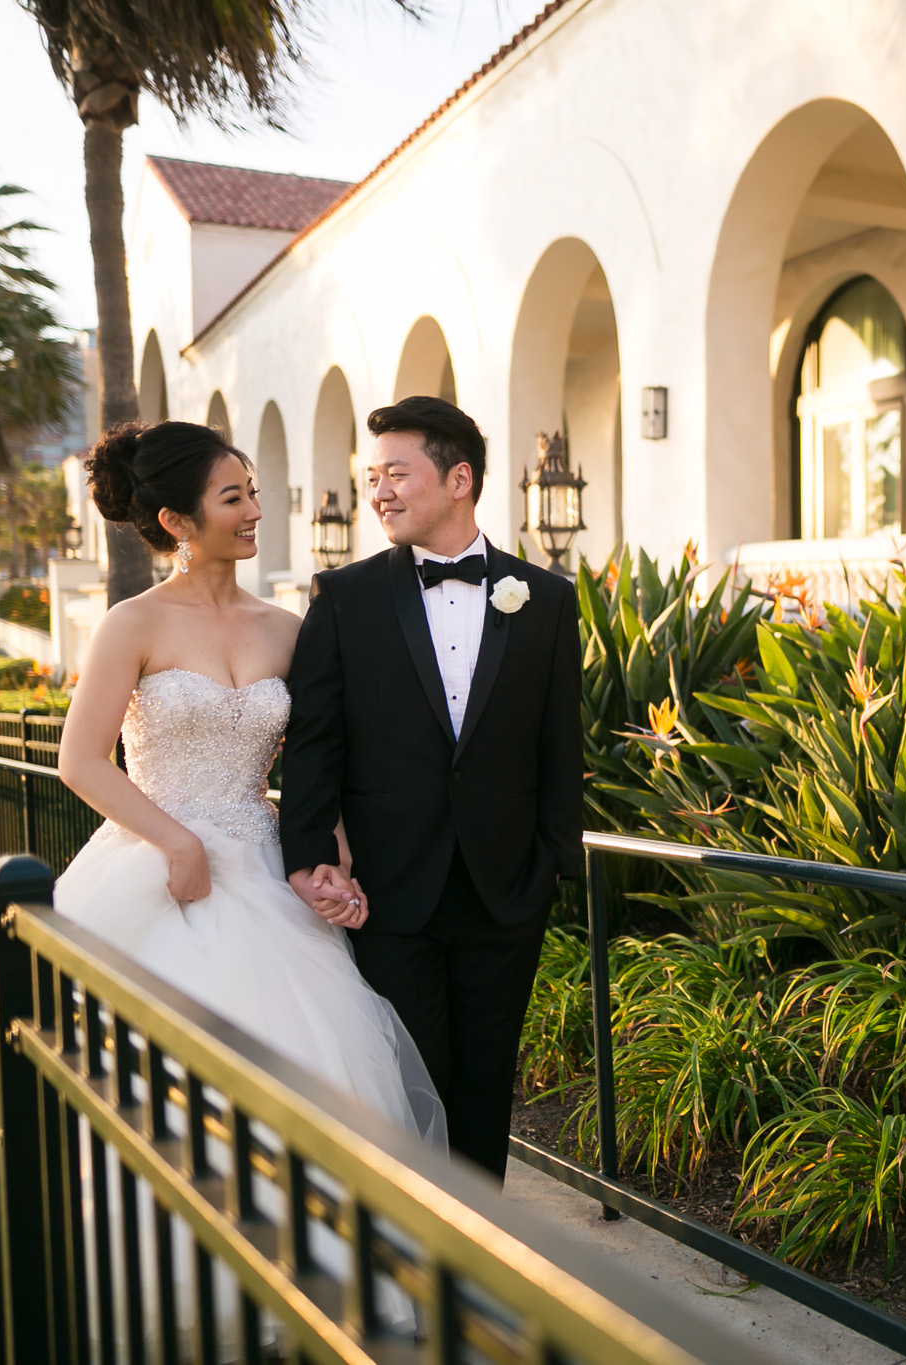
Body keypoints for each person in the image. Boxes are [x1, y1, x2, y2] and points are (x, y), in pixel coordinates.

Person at [55, 420, 444, 1145]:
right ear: (176, 521)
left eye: (253, 492)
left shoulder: (286, 628)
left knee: (309, 1079)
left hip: (264, 868)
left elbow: (318, 764)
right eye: (234, 497)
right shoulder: (129, 625)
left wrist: (334, 859)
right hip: (155, 867)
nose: (256, 510)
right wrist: (176, 843)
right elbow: (79, 759)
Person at [279, 395, 583, 1182]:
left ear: (458, 478)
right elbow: (314, 746)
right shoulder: (343, 599)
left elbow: (560, 745)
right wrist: (311, 856)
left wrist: (553, 865)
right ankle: (410, 1256)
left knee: (486, 1088)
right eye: (370, 475)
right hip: (386, 891)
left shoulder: (545, 600)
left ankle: (478, 1271)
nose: (378, 490)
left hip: (505, 891)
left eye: (395, 473)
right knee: (406, 1090)